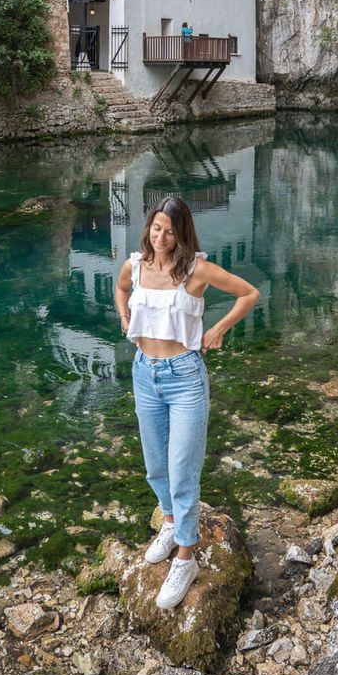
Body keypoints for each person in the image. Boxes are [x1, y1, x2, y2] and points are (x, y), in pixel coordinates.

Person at [115, 195, 259, 610]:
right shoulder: (135, 266)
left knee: (182, 469)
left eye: (170, 232)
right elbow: (120, 289)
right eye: (157, 228)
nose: (161, 237)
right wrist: (125, 319)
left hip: (184, 378)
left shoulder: (196, 269)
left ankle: (185, 555)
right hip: (144, 373)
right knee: (155, 466)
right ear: (149, 228)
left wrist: (218, 330)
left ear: (182, 235)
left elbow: (249, 294)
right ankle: (171, 522)